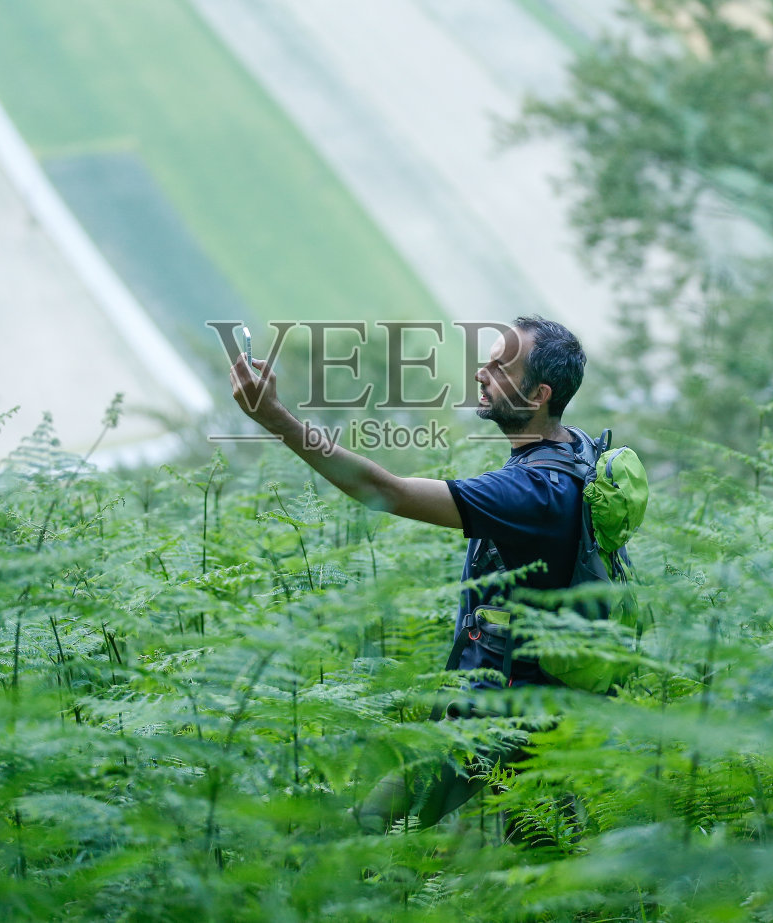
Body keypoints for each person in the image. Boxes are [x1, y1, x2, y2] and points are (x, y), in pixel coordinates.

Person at [229, 315, 596, 829]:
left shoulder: (533, 494)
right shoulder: (574, 449)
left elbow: (389, 492)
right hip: (541, 700)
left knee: (369, 826)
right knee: (547, 850)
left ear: (538, 394)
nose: (480, 373)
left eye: (498, 366)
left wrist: (277, 420)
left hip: (499, 712)